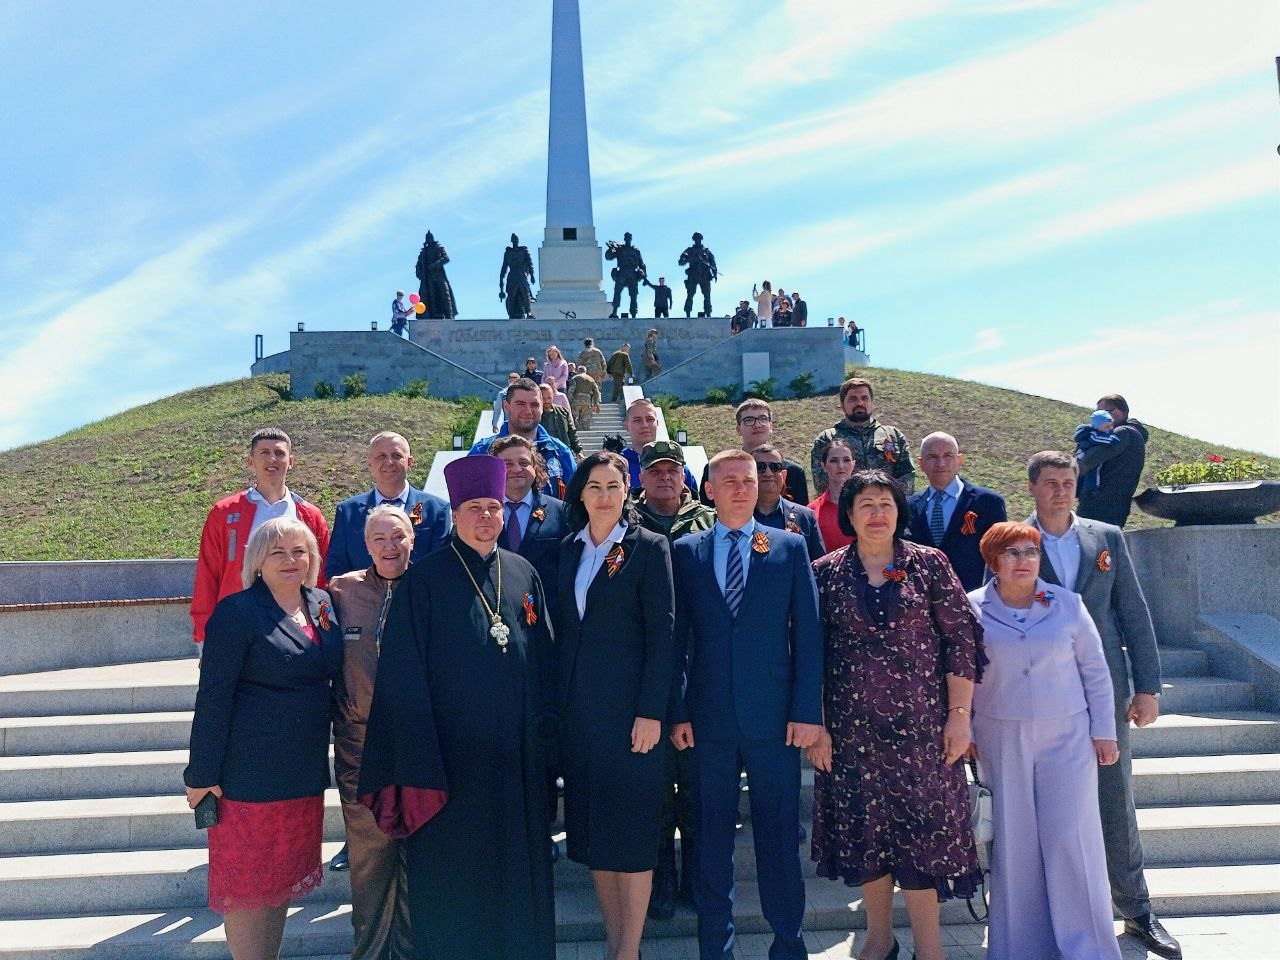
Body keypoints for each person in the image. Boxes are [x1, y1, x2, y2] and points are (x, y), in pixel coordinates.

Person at [357, 455, 557, 960]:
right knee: (455, 886)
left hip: (517, 761)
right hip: (450, 768)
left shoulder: (522, 571)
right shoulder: (423, 582)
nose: (487, 516)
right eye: (475, 508)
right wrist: (421, 769)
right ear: (456, 513)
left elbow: (545, 659)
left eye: (493, 506)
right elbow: (402, 683)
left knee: (519, 879)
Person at [808, 470, 984, 960]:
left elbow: (960, 643)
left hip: (924, 732)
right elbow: (810, 654)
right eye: (865, 503)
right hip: (851, 731)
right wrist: (818, 727)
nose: (876, 513)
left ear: (899, 511)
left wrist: (960, 716)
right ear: (849, 514)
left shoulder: (929, 565)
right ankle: (879, 941)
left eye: (885, 502)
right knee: (868, 837)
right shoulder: (824, 573)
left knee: (923, 838)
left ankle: (932, 950)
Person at [669, 449, 822, 960]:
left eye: (747, 480)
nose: (739, 488)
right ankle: (716, 947)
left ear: (760, 487)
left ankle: (789, 944)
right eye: (727, 481)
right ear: (708, 490)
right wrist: (679, 709)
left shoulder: (787, 546)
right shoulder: (686, 550)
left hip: (775, 719)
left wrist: (807, 710)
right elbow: (676, 638)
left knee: (778, 838)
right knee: (711, 840)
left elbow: (809, 633)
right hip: (708, 720)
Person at [1025, 451, 1178, 959]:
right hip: (1040, 693)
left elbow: (1132, 611)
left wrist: (1147, 687)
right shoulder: (1014, 541)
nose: (1062, 491)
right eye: (1051, 483)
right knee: (1046, 804)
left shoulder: (1106, 537)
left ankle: (1136, 911)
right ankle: (1051, 913)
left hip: (1104, 689)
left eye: (1068, 482)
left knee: (1115, 798)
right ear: (1033, 489)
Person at [184, 517, 343, 959]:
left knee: (277, 887)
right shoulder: (237, 613)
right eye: (278, 553)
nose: (291, 561)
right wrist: (202, 773)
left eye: (300, 551)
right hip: (249, 779)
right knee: (249, 891)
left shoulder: (322, 604)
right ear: (258, 561)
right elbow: (213, 697)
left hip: (302, 773)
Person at [967, 521, 1121, 960]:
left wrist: (1103, 731)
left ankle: (1089, 948)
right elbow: (960, 674)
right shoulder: (972, 607)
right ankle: (1021, 949)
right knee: (1014, 845)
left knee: (1071, 839)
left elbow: (1095, 670)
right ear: (993, 561)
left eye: (1030, 553)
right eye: (1011, 553)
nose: (1023, 562)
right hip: (999, 734)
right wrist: (967, 727)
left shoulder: (1068, 605)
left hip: (1067, 738)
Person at [555, 451, 675, 960]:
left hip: (632, 719)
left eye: (614, 485)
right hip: (580, 718)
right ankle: (612, 940)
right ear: (580, 494)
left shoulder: (648, 547)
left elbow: (664, 635)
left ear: (628, 491)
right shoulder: (568, 550)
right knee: (595, 836)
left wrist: (652, 712)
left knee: (632, 834)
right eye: (595, 486)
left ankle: (629, 950)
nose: (604, 495)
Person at [328, 505, 417, 960]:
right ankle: (371, 951)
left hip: (419, 745)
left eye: (398, 537)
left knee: (418, 855)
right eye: (379, 538)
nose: (390, 546)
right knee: (369, 854)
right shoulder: (341, 591)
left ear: (413, 539)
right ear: (366, 545)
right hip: (359, 745)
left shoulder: (429, 588)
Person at [630, 441, 714, 920]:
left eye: (672, 470)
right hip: (646, 669)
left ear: (684, 475)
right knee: (656, 789)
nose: (664, 477)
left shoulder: (707, 520)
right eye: (655, 470)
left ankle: (699, 885)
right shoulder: (627, 524)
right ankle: (660, 883)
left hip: (700, 666)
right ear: (642, 476)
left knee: (699, 790)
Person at [191, 428, 330, 646]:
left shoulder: (310, 515)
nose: (272, 459)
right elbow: (208, 574)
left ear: (291, 461)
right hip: (238, 624)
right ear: (250, 461)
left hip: (296, 626)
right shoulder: (224, 512)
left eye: (279, 453)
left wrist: (324, 628)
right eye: (264, 452)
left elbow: (321, 578)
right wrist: (204, 635)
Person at [327, 432, 451, 579]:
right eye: (381, 456)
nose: (389, 462)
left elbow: (441, 566)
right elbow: (335, 569)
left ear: (410, 462)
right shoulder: (348, 512)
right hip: (364, 599)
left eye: (397, 455)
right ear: (370, 463)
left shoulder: (436, 510)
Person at [906, 431, 1007, 591]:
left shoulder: (988, 502)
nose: (941, 463)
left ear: (959, 459)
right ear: (920, 463)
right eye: (932, 457)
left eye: (948, 456)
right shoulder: (908, 506)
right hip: (922, 601)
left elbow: (1000, 555)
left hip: (973, 599)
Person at [492, 435, 570, 619]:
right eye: (507, 464)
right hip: (497, 615)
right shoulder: (482, 515)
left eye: (524, 462)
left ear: (535, 468)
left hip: (549, 617)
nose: (517, 469)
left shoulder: (562, 512)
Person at [470, 377, 576, 498]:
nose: (528, 411)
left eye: (535, 405)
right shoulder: (482, 452)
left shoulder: (560, 452)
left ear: (542, 408)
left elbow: (574, 501)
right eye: (520, 404)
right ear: (506, 406)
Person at [810, 377, 915, 495]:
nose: (859, 403)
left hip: (887, 507)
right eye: (852, 399)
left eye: (864, 398)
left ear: (872, 402)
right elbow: (821, 481)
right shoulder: (827, 439)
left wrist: (882, 497)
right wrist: (856, 500)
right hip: (844, 509)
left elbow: (908, 476)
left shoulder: (893, 436)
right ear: (842, 405)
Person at [699, 398, 810, 506]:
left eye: (763, 418)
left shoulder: (793, 472)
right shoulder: (717, 468)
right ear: (738, 429)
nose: (757, 425)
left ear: (771, 426)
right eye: (749, 420)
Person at [1077, 394, 1149, 528]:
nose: (1095, 418)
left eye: (1100, 413)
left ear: (1117, 412)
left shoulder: (1123, 433)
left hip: (1098, 510)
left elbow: (1087, 462)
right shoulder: (1133, 435)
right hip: (1114, 510)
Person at [752, 444, 826, 562]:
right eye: (759, 467)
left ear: (784, 475)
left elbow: (819, 566)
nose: (768, 472)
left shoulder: (806, 517)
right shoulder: (736, 516)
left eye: (775, 467)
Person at [620, 398, 697, 493]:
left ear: (657, 423)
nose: (644, 425)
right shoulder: (619, 466)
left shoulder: (677, 468)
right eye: (637, 420)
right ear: (626, 425)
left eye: (649, 419)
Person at [808, 437, 857, 553]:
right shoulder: (812, 511)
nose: (840, 466)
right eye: (834, 461)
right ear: (824, 466)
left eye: (846, 460)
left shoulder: (868, 506)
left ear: (853, 464)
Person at [1075, 410, 1119, 495]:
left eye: (1111, 426)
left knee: (1083, 474)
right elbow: (1101, 439)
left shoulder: (1095, 432)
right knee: (1092, 473)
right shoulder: (1093, 434)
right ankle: (1091, 490)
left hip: (1084, 456)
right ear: (1097, 426)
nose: (1110, 429)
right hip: (1083, 455)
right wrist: (1113, 440)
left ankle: (1079, 490)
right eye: (1107, 427)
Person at [414, 230, 456, 319]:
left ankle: (449, 316)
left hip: (439, 276)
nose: (429, 239)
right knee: (431, 298)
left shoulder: (439, 248)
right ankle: (433, 316)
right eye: (427, 238)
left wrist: (435, 265)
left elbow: (446, 258)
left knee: (445, 294)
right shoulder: (423, 253)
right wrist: (420, 274)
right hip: (428, 278)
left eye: (430, 238)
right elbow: (418, 266)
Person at [607, 232, 648, 319]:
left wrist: (644, 276)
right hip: (622, 271)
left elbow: (641, 264)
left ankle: (633, 314)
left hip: (632, 272)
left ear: (631, 238)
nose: (628, 239)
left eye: (629, 237)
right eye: (626, 237)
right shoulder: (619, 249)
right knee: (617, 292)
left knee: (634, 294)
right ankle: (614, 312)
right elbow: (609, 257)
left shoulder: (636, 251)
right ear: (624, 239)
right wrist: (611, 249)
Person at [678, 231, 718, 318]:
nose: (697, 240)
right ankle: (688, 313)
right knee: (690, 294)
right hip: (693, 275)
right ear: (693, 240)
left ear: (701, 239)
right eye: (696, 239)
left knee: (707, 296)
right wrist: (687, 258)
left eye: (699, 239)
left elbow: (713, 263)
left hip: (704, 276)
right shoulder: (689, 250)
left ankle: (708, 313)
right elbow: (680, 262)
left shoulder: (707, 251)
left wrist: (714, 273)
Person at [539, 382, 582, 457]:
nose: (546, 401)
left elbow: (572, 432)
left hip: (563, 453)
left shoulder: (562, 412)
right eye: (543, 398)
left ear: (553, 396)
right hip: (542, 455)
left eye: (549, 398)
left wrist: (578, 451)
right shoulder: (533, 415)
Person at [499, 233, 536, 319]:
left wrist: (532, 275)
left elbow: (529, 263)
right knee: (511, 295)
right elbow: (504, 267)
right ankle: (511, 313)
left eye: (516, 239)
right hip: (512, 275)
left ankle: (528, 312)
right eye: (513, 239)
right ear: (512, 241)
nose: (515, 241)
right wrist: (501, 279)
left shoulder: (523, 251)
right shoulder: (508, 253)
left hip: (521, 275)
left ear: (518, 240)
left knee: (525, 294)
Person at [568, 363, 602, 430]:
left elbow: (571, 390)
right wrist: (595, 403)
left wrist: (570, 400)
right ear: (585, 371)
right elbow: (596, 392)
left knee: (574, 417)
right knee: (585, 418)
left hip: (576, 400)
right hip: (587, 401)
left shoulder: (575, 378)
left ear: (578, 370)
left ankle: (576, 430)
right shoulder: (591, 379)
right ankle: (585, 430)